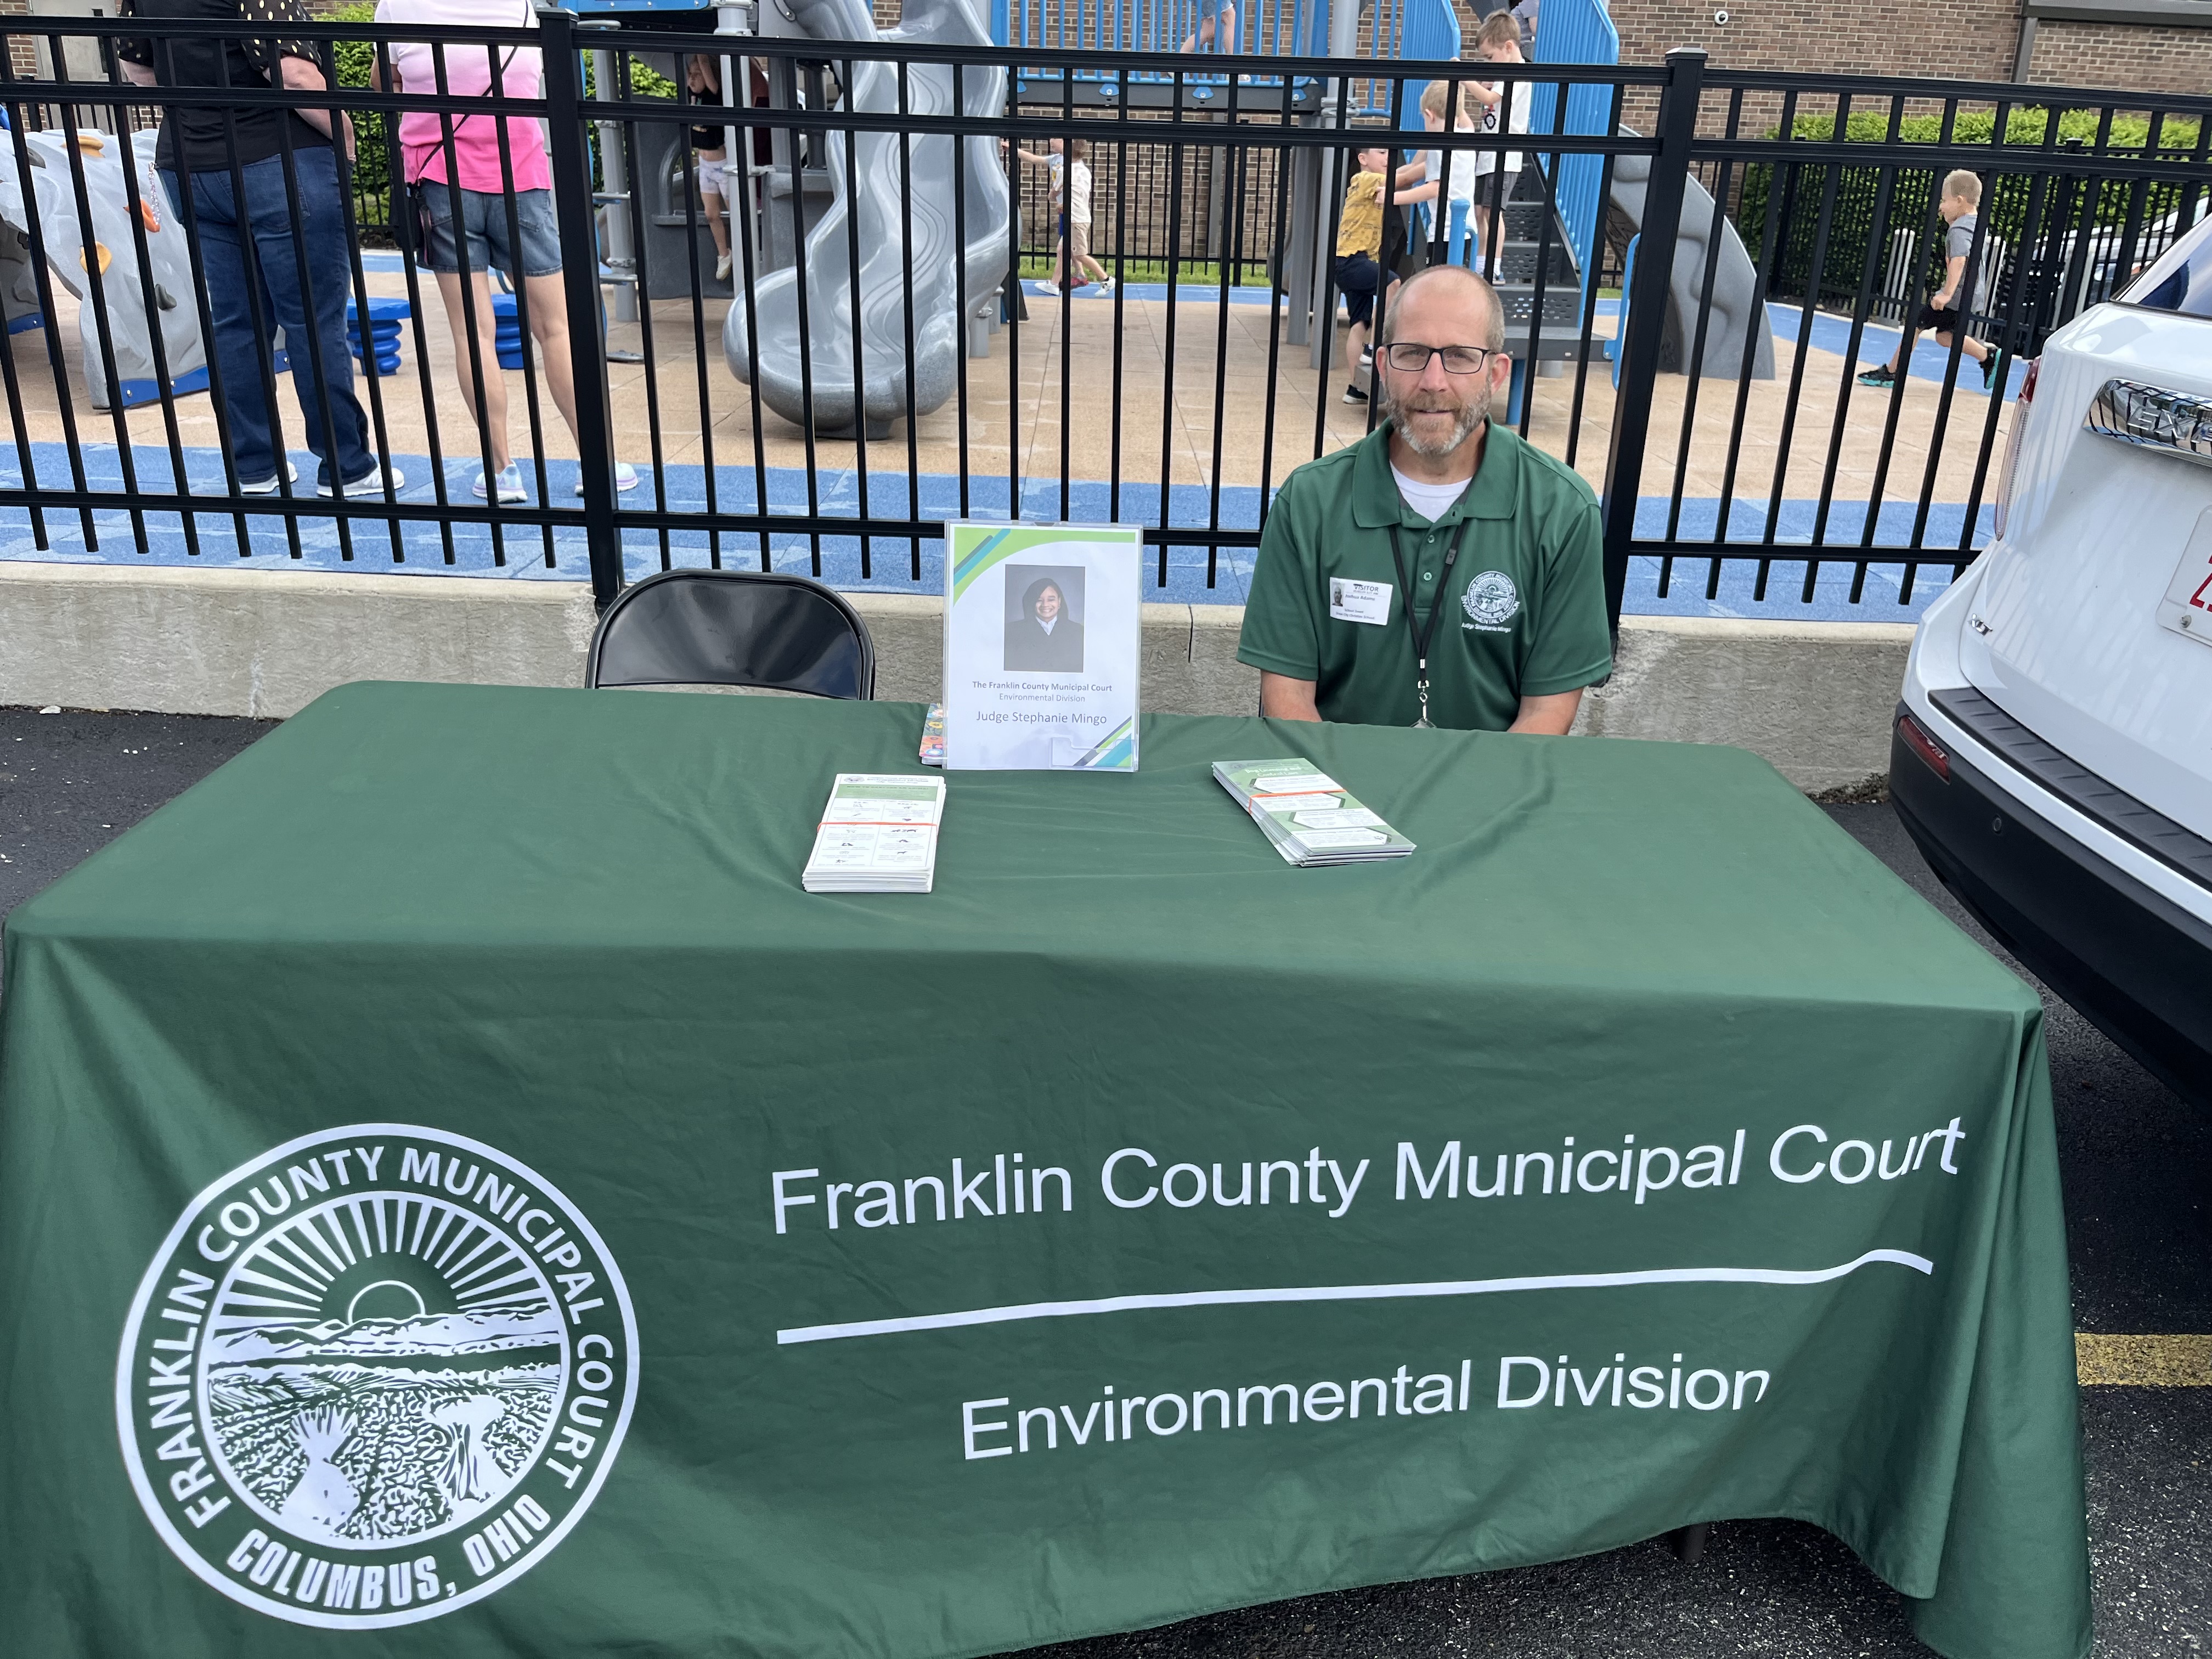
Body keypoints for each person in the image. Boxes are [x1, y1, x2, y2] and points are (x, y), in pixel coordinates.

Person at [1238, 263, 1611, 733]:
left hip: (1489, 799)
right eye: (1413, 353)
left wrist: (1469, 807)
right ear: (1385, 364)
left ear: (1496, 374)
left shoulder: (1562, 511)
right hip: (1337, 791)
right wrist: (1342, 806)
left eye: (1458, 356)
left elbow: (1547, 713)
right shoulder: (1309, 502)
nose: (1433, 382)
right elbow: (1286, 697)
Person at [115, 0, 401, 499]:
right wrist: (346, 136)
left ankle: (254, 466)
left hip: (190, 164)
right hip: (276, 159)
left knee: (236, 324)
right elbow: (293, 75)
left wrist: (197, 104)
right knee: (312, 320)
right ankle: (346, 466)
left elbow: (136, 64)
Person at [372, 0, 638, 502]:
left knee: (472, 333)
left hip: (439, 180)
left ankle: (501, 470)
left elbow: (384, 88)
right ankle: (596, 463)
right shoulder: (525, 9)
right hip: (521, 181)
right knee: (557, 328)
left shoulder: (398, 7)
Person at [1859, 169, 1999, 394]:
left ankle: (1891, 372)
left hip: (1958, 294)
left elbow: (1959, 261)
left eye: (1945, 201)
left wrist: (1946, 293)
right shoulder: (1976, 224)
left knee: (1914, 324)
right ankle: (1987, 356)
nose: (1941, 207)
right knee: (1945, 337)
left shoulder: (1960, 229)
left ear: (1960, 201)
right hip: (1970, 293)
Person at [1390, 81, 1481, 271]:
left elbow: (1435, 188)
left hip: (1444, 233)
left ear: (1430, 115)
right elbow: (1462, 117)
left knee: (1435, 282)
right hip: (1466, 229)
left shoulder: (1441, 149)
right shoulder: (1467, 136)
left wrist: (1392, 197)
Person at [1334, 144, 1398, 407]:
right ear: (1363, 159)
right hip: (1352, 259)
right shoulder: (1364, 179)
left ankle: (1355, 388)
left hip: (1350, 261)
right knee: (1393, 282)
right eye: (1382, 153)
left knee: (1359, 322)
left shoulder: (1376, 184)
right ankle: (1374, 347)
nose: (1388, 158)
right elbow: (1399, 180)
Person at [1468, 13, 1531, 270]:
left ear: (1508, 47)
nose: (1489, 63)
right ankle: (1482, 261)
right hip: (1489, 154)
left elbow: (1490, 99)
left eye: (1490, 57)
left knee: (1493, 213)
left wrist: (1466, 78)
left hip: (1504, 156)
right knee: (1481, 212)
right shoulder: (1504, 73)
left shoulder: (1517, 74)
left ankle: (1493, 264)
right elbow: (1488, 95)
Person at [686, 54, 735, 284]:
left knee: (735, 211)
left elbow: (706, 69)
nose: (692, 79)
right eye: (690, 75)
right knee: (711, 214)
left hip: (721, 164)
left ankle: (745, 250)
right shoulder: (692, 97)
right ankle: (724, 253)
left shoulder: (715, 95)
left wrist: (702, 60)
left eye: (697, 75)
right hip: (704, 163)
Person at [1061, 138, 1111, 292]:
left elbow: (1055, 192)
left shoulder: (1068, 170)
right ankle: (1079, 275)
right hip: (1081, 215)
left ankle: (1106, 279)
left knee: (1081, 255)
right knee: (1070, 250)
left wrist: (1054, 196)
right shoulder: (1084, 170)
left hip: (1076, 218)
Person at [1005, 576, 1085, 672]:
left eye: (1051, 599)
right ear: (1031, 603)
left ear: (1059, 602)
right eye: (1039, 600)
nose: (1045, 605)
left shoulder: (1078, 632)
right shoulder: (1012, 632)